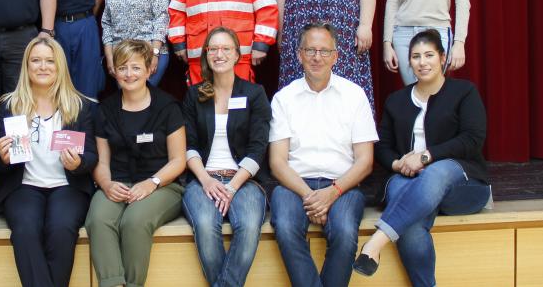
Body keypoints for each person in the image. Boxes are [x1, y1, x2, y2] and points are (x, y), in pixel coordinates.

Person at [353, 29, 491, 286]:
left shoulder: (464, 92)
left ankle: (375, 243)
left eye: (429, 55)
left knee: (437, 172)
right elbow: (382, 146)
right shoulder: (397, 100)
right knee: (413, 224)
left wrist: (426, 156)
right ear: (409, 62)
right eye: (416, 56)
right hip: (409, 182)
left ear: (442, 57)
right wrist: (398, 163)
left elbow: (472, 139)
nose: (422, 62)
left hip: (462, 186)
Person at [267, 23, 376, 287]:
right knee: (285, 227)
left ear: (336, 56)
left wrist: (332, 192)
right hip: (295, 185)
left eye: (325, 51)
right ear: (299, 54)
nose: (317, 57)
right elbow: (277, 162)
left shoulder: (354, 95)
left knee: (345, 232)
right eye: (311, 50)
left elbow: (365, 161)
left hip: (343, 184)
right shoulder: (284, 98)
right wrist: (310, 196)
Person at [0, 37, 97, 287]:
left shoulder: (79, 106)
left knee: (61, 230)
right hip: (24, 186)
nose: (42, 66)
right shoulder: (9, 105)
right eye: (36, 60)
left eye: (50, 61)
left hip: (67, 185)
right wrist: (3, 157)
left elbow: (92, 157)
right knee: (25, 230)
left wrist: (78, 164)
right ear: (26, 66)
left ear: (60, 66)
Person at [87, 40, 186, 287]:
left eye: (135, 67)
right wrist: (107, 184)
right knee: (98, 219)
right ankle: (112, 284)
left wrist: (151, 183)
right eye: (122, 68)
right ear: (114, 71)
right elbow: (102, 161)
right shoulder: (105, 109)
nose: (129, 74)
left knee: (134, 221)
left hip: (162, 184)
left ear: (148, 69)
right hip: (118, 182)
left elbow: (178, 160)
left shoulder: (167, 106)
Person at [180, 27, 271, 287]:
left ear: (237, 55)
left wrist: (232, 187)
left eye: (225, 49)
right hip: (202, 179)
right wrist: (206, 180)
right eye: (213, 49)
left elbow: (258, 148)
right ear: (206, 55)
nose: (219, 54)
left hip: (244, 181)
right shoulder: (194, 95)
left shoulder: (254, 94)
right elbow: (190, 146)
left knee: (250, 225)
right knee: (207, 226)